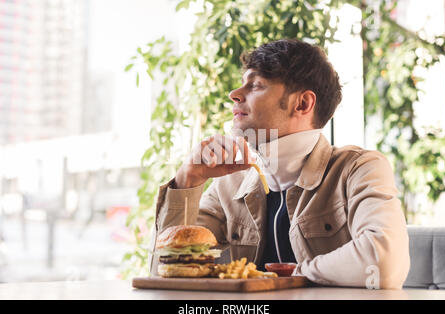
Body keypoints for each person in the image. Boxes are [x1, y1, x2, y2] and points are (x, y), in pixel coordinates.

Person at [150, 39, 410, 289]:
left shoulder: (358, 169)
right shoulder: (230, 184)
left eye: (256, 85)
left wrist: (286, 275)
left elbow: (384, 263)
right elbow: (164, 272)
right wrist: (188, 179)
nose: (234, 95)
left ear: (303, 103)